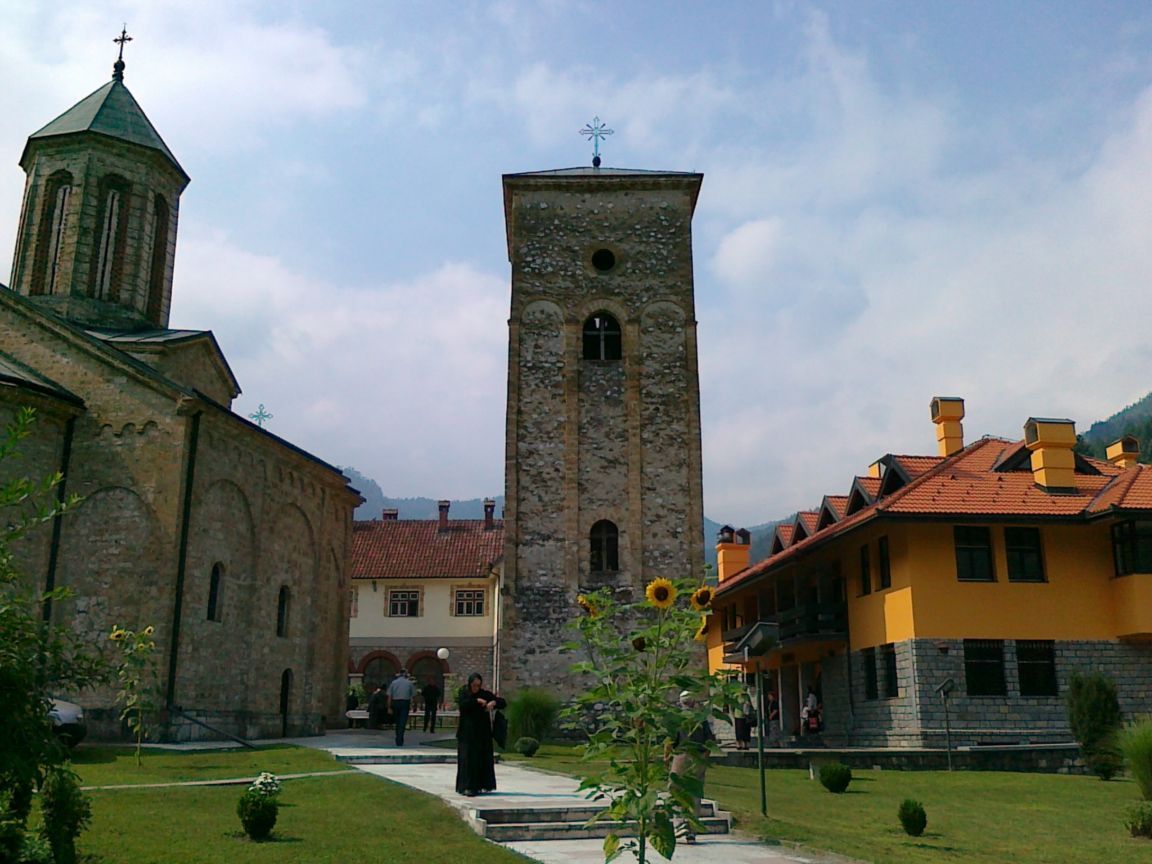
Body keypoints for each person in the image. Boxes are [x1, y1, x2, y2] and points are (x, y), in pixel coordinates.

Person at [666, 690, 714, 845]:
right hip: (698, 757)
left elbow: (670, 741)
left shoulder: (677, 719)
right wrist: (705, 759)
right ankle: (692, 828)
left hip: (682, 756)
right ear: (693, 702)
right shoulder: (701, 719)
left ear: (681, 702)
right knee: (695, 793)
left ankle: (680, 824)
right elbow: (709, 742)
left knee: (676, 789)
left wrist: (666, 757)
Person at [455, 672, 506, 796]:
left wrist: (493, 703)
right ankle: (467, 786)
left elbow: (502, 702)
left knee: (481, 759)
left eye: (478, 685)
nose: (476, 688)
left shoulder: (484, 694)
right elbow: (463, 705)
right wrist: (476, 701)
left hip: (482, 733)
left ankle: (480, 785)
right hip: (467, 733)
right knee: (468, 759)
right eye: (474, 685)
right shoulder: (465, 693)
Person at [387, 670, 416, 746]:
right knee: (402, 721)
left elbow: (389, 696)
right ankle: (400, 737)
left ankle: (398, 737)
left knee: (397, 721)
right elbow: (413, 695)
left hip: (396, 703)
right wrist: (414, 705)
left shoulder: (393, 683)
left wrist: (389, 707)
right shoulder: (409, 683)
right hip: (405, 703)